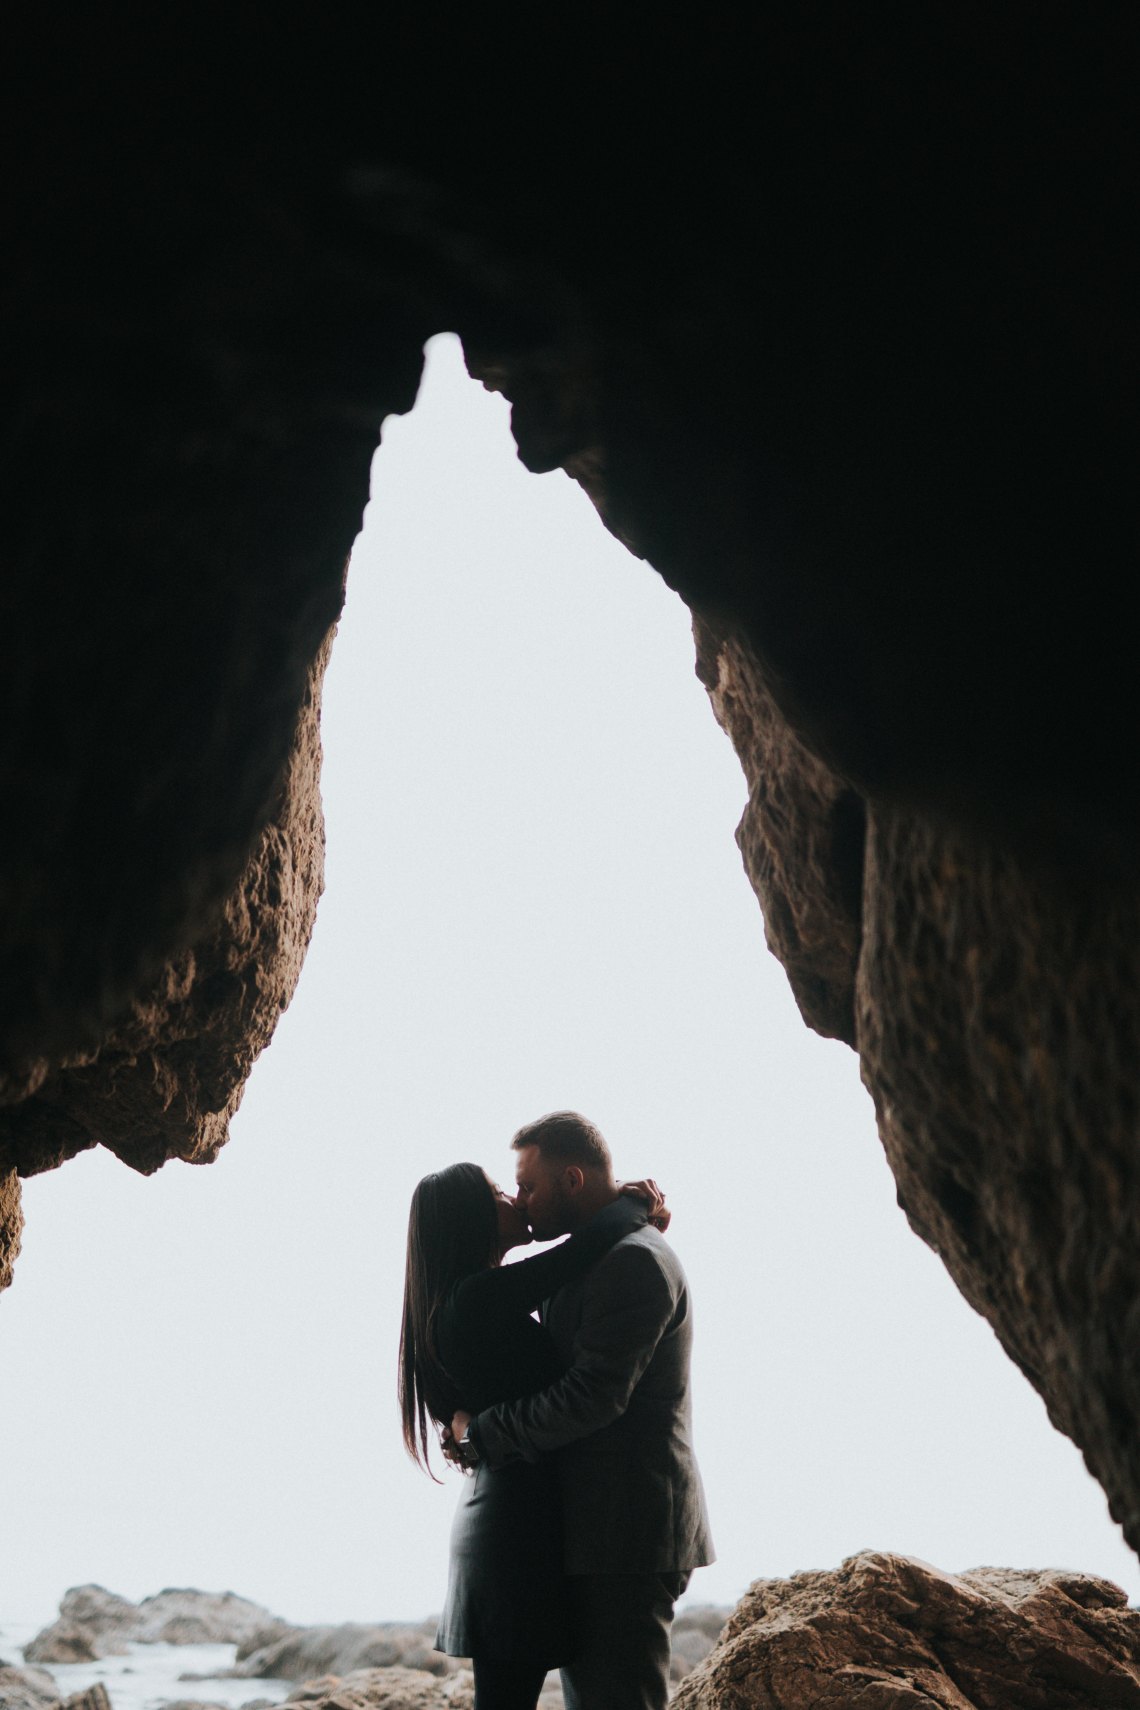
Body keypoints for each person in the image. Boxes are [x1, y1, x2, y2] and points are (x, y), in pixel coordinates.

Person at [452, 1112, 714, 1710]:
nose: (521, 1201)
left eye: (529, 1186)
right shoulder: (591, 1258)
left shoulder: (633, 1262)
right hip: (600, 1529)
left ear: (571, 1180)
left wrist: (483, 1433)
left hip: (628, 1530)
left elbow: (591, 1397)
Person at [399, 1159, 666, 1709]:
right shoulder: (476, 1297)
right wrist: (635, 1202)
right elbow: (581, 1253)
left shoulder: (463, 1302)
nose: (514, 1200)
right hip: (512, 1534)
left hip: (511, 1520)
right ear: (470, 1217)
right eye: (500, 1191)